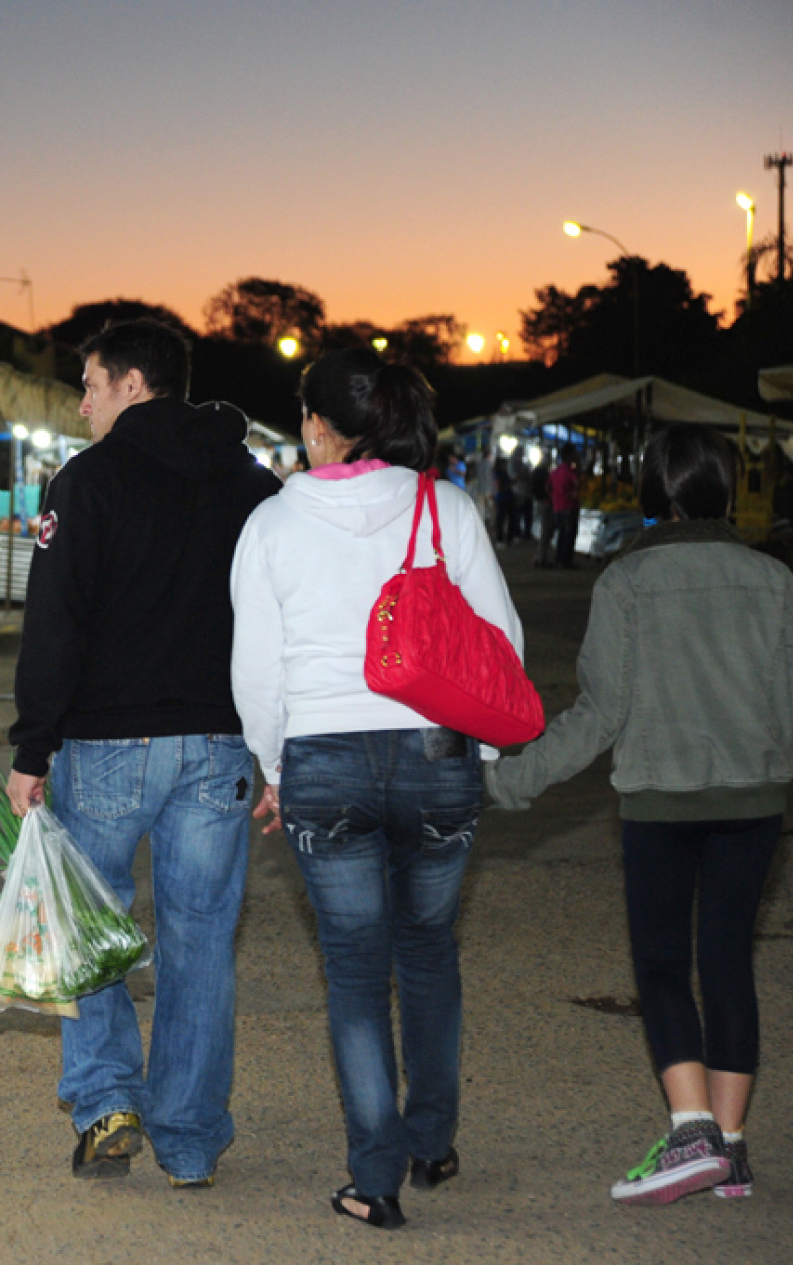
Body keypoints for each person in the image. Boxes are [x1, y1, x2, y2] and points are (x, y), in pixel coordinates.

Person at [486, 424, 793, 1207]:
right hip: (752, 803)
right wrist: (757, 752)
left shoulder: (626, 581)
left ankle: (689, 1129)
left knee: (662, 963)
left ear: (652, 491)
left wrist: (507, 781)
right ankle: (730, 1148)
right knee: (728, 960)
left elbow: (599, 714)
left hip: (658, 804)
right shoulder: (770, 577)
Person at [230, 348, 522, 1231]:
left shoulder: (272, 522)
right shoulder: (444, 507)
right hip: (436, 754)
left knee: (355, 971)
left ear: (318, 425)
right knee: (428, 949)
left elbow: (255, 671)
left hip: (323, 759)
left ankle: (375, 1180)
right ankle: (432, 1141)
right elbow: (501, 641)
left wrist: (273, 768)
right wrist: (483, 756)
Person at [5, 318, 281, 1187]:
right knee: (201, 940)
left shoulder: (87, 481)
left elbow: (54, 622)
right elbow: (278, 623)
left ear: (131, 383)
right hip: (219, 743)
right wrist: (276, 746)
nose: (81, 404)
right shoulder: (253, 484)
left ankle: (106, 1103)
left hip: (106, 746)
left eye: (90, 384)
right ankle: (190, 1138)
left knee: (92, 927)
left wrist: (32, 744)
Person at [550, 444, 582, 568]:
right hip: (568, 507)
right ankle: (566, 560)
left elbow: (547, 486)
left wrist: (554, 497)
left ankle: (560, 559)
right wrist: (571, 495)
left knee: (562, 534)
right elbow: (576, 485)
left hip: (558, 507)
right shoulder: (569, 472)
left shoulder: (556, 471)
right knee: (569, 534)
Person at [530, 454, 555, 566]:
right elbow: (545, 488)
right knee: (546, 531)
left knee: (545, 531)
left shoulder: (536, 471)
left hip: (540, 502)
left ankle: (540, 557)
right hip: (545, 502)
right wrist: (547, 497)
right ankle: (540, 558)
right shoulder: (543, 473)